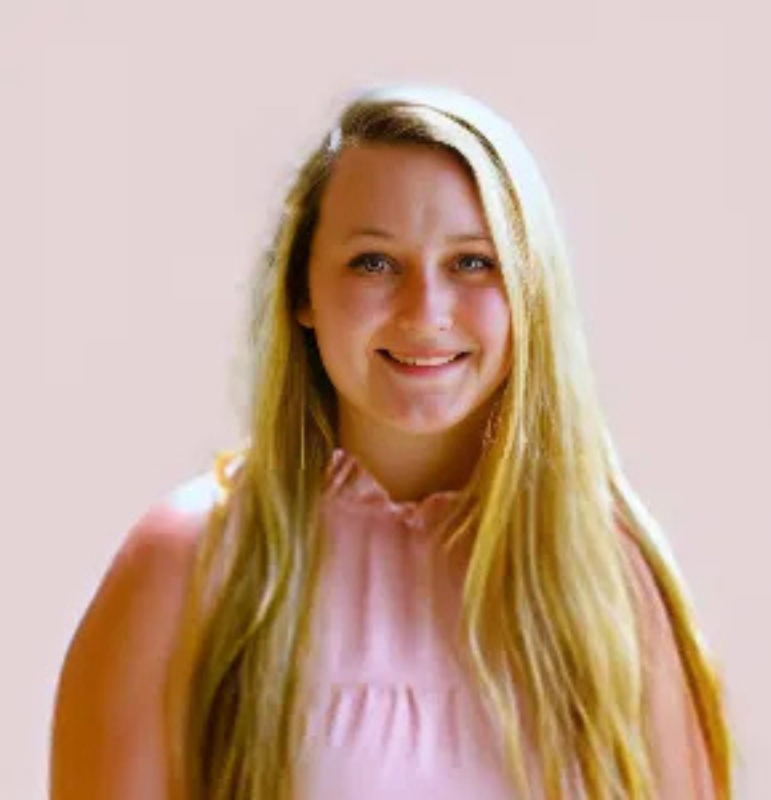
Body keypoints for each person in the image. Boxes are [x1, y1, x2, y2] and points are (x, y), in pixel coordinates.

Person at [49, 83, 735, 799]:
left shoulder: (609, 572)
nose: (426, 312)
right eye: (374, 263)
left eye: (473, 262)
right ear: (302, 294)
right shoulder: (185, 562)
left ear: (531, 291)